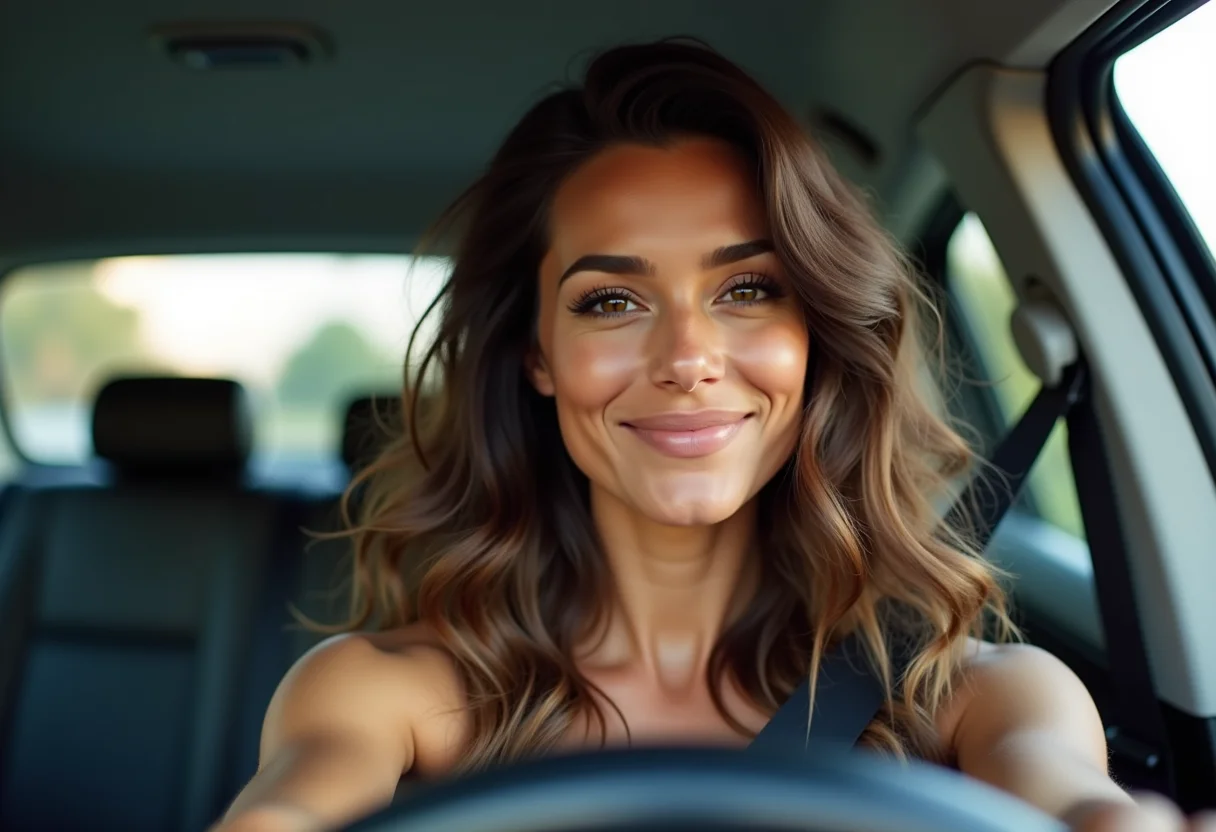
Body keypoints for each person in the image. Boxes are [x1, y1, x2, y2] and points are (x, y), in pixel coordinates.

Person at [213, 40, 1215, 832]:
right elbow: (292, 807)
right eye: (610, 301)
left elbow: (1073, 800)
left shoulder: (975, 701)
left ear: (813, 336)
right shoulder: (386, 696)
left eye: (746, 290)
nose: (687, 355)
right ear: (537, 355)